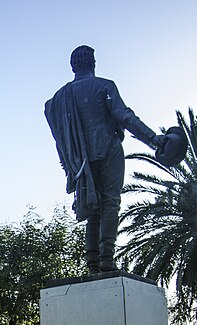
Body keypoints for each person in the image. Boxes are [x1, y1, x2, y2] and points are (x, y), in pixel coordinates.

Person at [44, 45, 167, 274]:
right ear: (93, 63)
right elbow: (125, 116)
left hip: (81, 162)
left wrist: (70, 165)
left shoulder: (58, 99)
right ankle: (107, 260)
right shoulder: (104, 86)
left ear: (73, 66)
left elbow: (57, 132)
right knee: (110, 203)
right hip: (108, 150)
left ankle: (93, 264)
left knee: (93, 210)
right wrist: (152, 139)